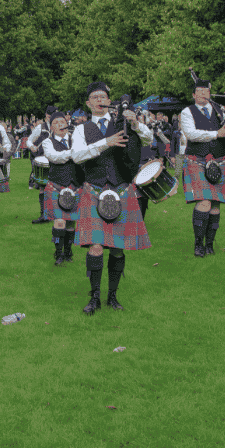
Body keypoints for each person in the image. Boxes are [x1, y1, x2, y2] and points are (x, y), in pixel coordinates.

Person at [72, 82, 153, 315]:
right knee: (96, 247)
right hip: (94, 190)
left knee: (117, 249)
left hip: (121, 189)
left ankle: (113, 296)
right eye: (95, 97)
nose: (99, 100)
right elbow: (76, 156)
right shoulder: (81, 129)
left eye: (103, 96)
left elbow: (148, 139)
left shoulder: (123, 122)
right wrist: (104, 143)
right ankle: (94, 297)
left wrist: (135, 123)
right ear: (88, 103)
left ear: (109, 101)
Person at [179, 78, 225, 257]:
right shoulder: (187, 112)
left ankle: (210, 244)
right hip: (196, 160)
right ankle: (198, 244)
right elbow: (191, 134)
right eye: (199, 91)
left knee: (215, 204)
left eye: (206, 90)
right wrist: (217, 134)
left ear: (210, 93)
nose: (203, 93)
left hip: (219, 159)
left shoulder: (219, 110)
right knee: (204, 202)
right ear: (193, 95)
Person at [41, 111, 83, 266]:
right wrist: (74, 153)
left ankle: (68, 251)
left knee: (71, 223)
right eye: (56, 123)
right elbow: (54, 157)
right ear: (51, 127)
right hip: (57, 186)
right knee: (59, 222)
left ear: (67, 123)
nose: (60, 125)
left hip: (75, 185)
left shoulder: (77, 139)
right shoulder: (48, 142)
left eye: (62, 122)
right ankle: (58, 253)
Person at [27, 106, 56, 224]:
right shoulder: (40, 127)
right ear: (46, 115)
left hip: (57, 160)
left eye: (52, 115)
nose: (50, 117)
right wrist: (32, 147)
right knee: (42, 187)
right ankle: (43, 214)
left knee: (57, 187)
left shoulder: (60, 126)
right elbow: (29, 140)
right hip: (43, 160)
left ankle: (56, 213)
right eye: (49, 115)